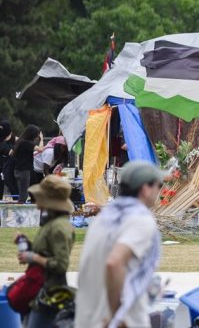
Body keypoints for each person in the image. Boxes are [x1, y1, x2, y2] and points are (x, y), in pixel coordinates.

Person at [75, 161, 165, 328]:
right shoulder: (139, 220)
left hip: (87, 318)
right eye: (158, 185)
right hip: (119, 320)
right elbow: (114, 262)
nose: (159, 191)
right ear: (145, 189)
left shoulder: (104, 219)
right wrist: (116, 315)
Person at [17, 175, 75, 327]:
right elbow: (45, 252)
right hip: (40, 290)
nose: (37, 205)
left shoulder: (58, 228)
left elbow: (61, 264)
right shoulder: (52, 224)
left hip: (50, 294)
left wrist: (33, 257)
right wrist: (28, 247)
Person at [10, 125, 43, 203]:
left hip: (17, 170)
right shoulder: (27, 143)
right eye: (37, 134)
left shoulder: (20, 141)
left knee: (22, 193)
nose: (37, 136)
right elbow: (40, 149)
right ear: (32, 134)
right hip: (24, 171)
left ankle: (19, 213)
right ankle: (19, 214)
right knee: (23, 195)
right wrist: (41, 140)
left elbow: (11, 153)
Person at [0, 120, 17, 199]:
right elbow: (10, 152)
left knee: (14, 188)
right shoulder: (2, 142)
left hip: (13, 168)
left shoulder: (13, 138)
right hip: (3, 168)